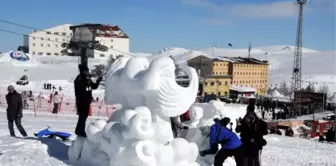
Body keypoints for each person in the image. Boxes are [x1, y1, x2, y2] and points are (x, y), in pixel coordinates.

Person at [74, 64, 102, 137]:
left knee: (84, 116)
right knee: (82, 116)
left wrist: (98, 81)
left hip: (86, 101)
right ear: (82, 71)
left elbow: (94, 86)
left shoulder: (87, 79)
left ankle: (79, 130)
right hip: (81, 101)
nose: (88, 72)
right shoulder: (79, 79)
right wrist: (86, 81)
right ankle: (80, 130)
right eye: (86, 71)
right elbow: (81, 89)